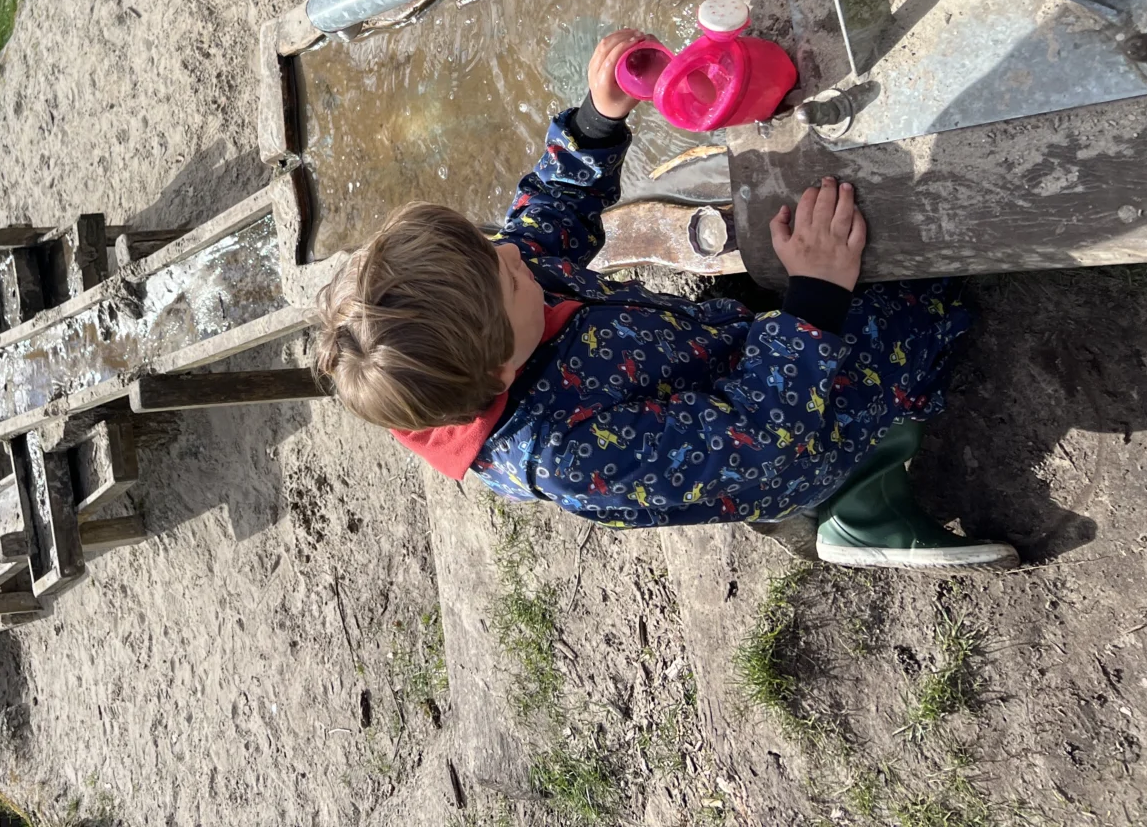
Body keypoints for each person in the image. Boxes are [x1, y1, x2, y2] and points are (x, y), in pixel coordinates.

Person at [314, 28, 1017, 570]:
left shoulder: (498, 304)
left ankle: (812, 377)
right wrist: (816, 297)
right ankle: (849, 498)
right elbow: (761, 438)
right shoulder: (572, 456)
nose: (511, 253)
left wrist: (597, 121)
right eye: (509, 278)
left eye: (488, 244)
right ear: (500, 372)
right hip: (788, 443)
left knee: (815, 245)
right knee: (918, 289)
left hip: (718, 358)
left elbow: (547, 218)